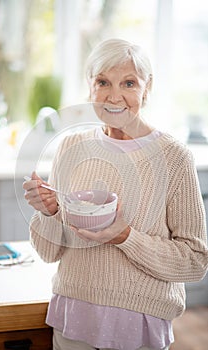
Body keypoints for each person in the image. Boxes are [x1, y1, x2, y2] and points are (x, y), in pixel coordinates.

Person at [23, 38, 208, 350]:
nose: (114, 95)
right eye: (103, 82)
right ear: (90, 87)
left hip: (139, 324)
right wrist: (49, 211)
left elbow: (194, 261)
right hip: (73, 316)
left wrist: (125, 237)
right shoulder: (71, 147)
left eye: (129, 83)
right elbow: (48, 252)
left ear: (147, 89)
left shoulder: (173, 157)